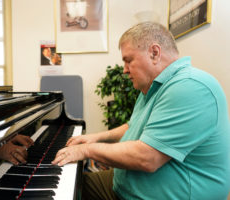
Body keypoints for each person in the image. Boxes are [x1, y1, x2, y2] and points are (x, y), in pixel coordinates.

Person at [52, 22, 230, 199]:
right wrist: (96, 137)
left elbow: (147, 158)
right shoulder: (154, 86)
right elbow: (133, 126)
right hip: (124, 184)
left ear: (154, 53)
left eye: (128, 60)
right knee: (65, 188)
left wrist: (86, 150)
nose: (125, 70)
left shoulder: (189, 87)